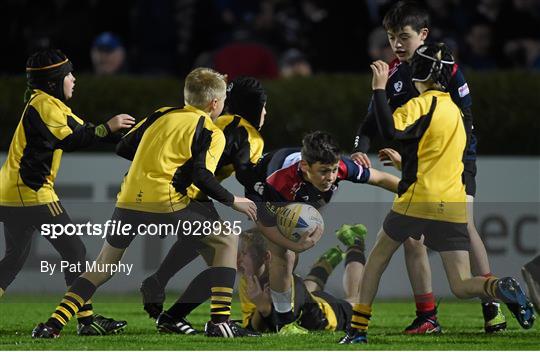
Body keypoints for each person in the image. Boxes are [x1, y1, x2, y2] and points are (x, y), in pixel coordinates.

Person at [31, 67, 259, 338]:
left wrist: (154, 161)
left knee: (103, 266)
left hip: (128, 199)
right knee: (225, 240)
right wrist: (234, 201)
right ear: (215, 104)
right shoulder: (210, 130)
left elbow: (124, 147)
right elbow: (202, 176)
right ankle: (220, 321)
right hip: (166, 201)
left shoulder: (161, 114)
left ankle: (53, 325)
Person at [339, 43, 535, 345]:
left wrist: (379, 89)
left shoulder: (421, 104)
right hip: (452, 203)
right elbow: (441, 159)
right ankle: (498, 287)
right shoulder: (455, 113)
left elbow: (388, 129)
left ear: (419, 73)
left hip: (419, 199)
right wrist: (406, 162)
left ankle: (358, 329)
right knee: (461, 284)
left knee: (377, 258)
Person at [350, 0, 506, 334]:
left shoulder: (445, 68)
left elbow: (465, 120)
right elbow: (370, 123)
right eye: (391, 37)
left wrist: (463, 166)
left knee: (466, 227)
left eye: (403, 36)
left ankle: (492, 308)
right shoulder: (392, 73)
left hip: (455, 163)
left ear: (423, 34)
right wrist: (360, 150)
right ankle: (427, 316)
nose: (396, 44)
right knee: (412, 239)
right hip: (417, 168)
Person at [0, 49, 134, 335]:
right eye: (68, 75)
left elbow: (86, 130)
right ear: (52, 82)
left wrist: (116, 134)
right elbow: (75, 139)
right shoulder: (46, 104)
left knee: (14, 259)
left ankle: (87, 320)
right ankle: (84, 321)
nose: (73, 79)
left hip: (12, 193)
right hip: (31, 193)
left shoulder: (47, 104)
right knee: (76, 251)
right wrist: (108, 127)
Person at [138, 76, 267, 333]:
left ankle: (163, 296)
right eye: (264, 105)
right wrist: (267, 193)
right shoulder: (249, 134)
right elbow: (244, 172)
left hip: (174, 191)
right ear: (254, 107)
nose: (266, 112)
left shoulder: (218, 120)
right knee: (224, 262)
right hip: (188, 195)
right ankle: (218, 323)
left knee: (214, 258)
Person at [256, 132, 400, 331]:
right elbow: (265, 224)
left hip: (304, 195)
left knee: (287, 257)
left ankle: (280, 316)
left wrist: (419, 194)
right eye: (324, 171)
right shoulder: (279, 182)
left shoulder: (338, 168)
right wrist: (296, 245)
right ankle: (283, 322)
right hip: (263, 187)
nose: (331, 177)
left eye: (333, 170)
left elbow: (381, 178)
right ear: (305, 167)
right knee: (282, 254)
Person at [237, 226, 367, 333]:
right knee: (305, 290)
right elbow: (253, 328)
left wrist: (263, 307)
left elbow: (281, 325)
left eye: (244, 253)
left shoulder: (285, 280)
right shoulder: (246, 281)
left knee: (356, 299)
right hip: (309, 299)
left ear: (266, 256)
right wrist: (262, 306)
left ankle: (355, 244)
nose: (238, 259)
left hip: (327, 313)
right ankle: (323, 266)